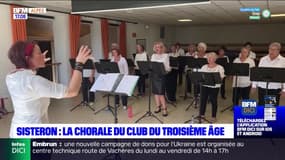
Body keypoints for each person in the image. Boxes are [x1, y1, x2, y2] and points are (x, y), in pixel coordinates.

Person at [6, 41, 91, 137]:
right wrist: (79, 64)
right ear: (28, 59)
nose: (42, 55)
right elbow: (72, 91)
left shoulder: (11, 76)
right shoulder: (34, 82)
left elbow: (27, 77)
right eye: (39, 53)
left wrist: (35, 64)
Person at [200, 52, 225, 123]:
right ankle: (202, 115)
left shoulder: (220, 67)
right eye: (208, 58)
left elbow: (221, 78)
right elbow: (201, 76)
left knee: (213, 101)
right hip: (205, 86)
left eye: (210, 58)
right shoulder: (204, 67)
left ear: (215, 59)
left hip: (214, 87)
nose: (208, 59)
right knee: (203, 100)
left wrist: (215, 79)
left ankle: (213, 116)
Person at [151, 42, 171, 116]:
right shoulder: (153, 55)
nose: (157, 48)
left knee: (161, 93)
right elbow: (152, 65)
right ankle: (158, 107)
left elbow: (168, 67)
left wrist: (167, 69)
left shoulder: (166, 55)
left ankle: (164, 108)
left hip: (161, 76)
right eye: (156, 47)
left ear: (162, 48)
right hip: (154, 76)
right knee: (155, 92)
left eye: (159, 47)